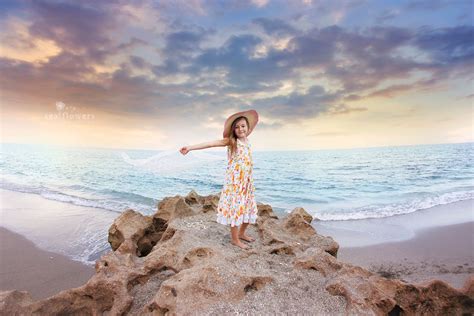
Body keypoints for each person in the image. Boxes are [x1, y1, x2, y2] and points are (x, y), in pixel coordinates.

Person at [179, 109, 259, 250]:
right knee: (236, 210)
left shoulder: (248, 142)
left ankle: (242, 233)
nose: (240, 129)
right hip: (235, 184)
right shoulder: (232, 142)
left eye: (243, 126)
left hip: (246, 184)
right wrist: (190, 147)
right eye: (237, 127)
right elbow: (211, 143)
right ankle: (235, 239)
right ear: (233, 130)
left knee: (249, 208)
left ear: (248, 127)